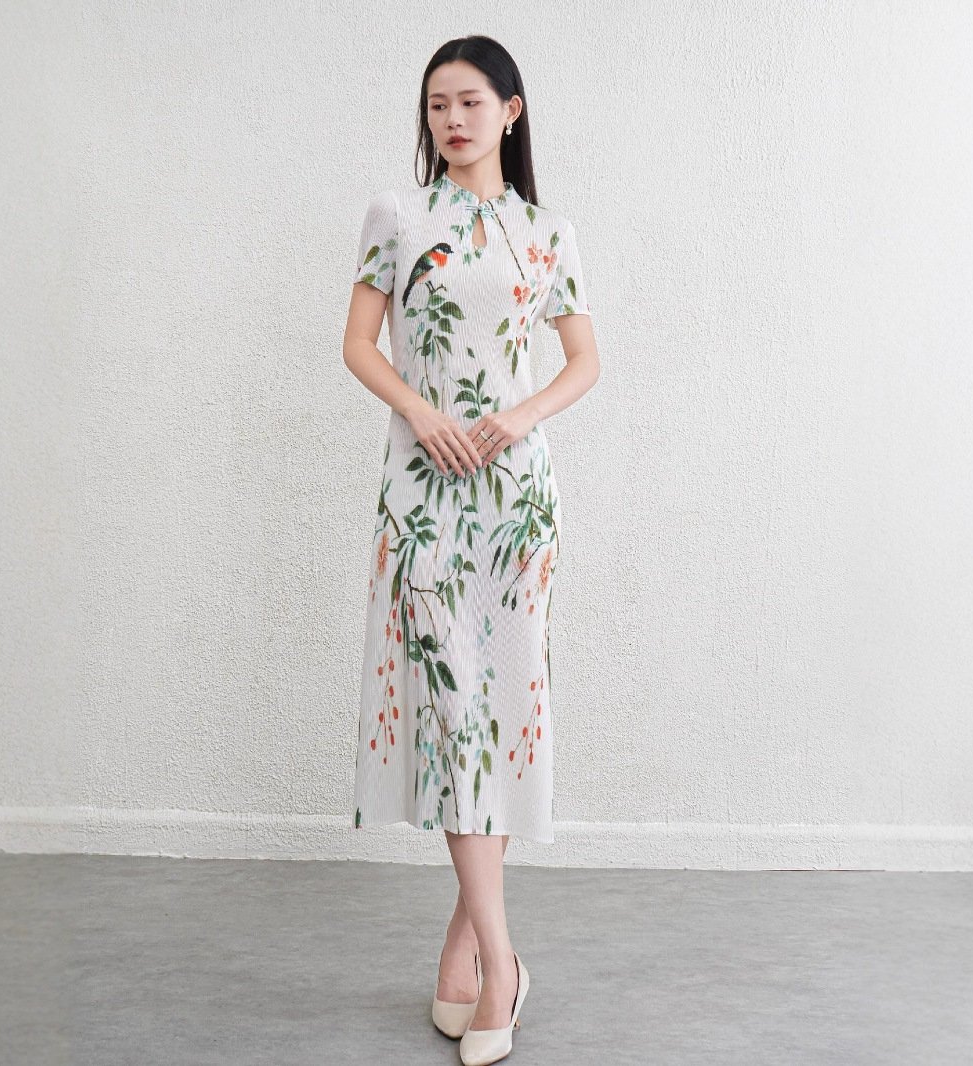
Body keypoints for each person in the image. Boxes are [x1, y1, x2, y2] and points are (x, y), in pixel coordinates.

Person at [344, 35, 599, 1065]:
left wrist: (515, 417)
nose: (451, 120)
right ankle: (501, 958)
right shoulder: (398, 217)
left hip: (516, 498)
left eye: (469, 102)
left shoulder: (546, 232)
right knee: (453, 714)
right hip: (422, 492)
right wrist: (422, 413)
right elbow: (358, 343)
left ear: (510, 111)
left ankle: (462, 956)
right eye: (436, 105)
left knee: (492, 718)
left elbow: (583, 361)